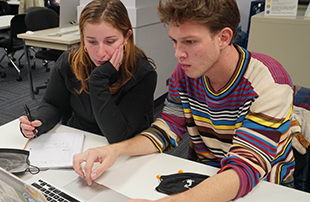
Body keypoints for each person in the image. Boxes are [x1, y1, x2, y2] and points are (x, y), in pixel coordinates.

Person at [73, 0, 295, 201]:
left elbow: (244, 170)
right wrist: (115, 151)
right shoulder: (185, 75)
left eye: (189, 42)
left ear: (223, 38)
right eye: (174, 41)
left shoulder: (269, 82)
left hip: (263, 187)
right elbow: (166, 129)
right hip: (205, 177)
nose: (178, 53)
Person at [19, 0, 157, 144]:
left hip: (123, 149)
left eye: (110, 42)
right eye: (91, 42)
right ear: (82, 37)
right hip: (79, 141)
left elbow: (118, 135)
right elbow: (53, 103)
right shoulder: (69, 61)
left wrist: (98, 79)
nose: (100, 53)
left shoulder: (142, 73)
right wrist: (40, 121)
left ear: (126, 37)